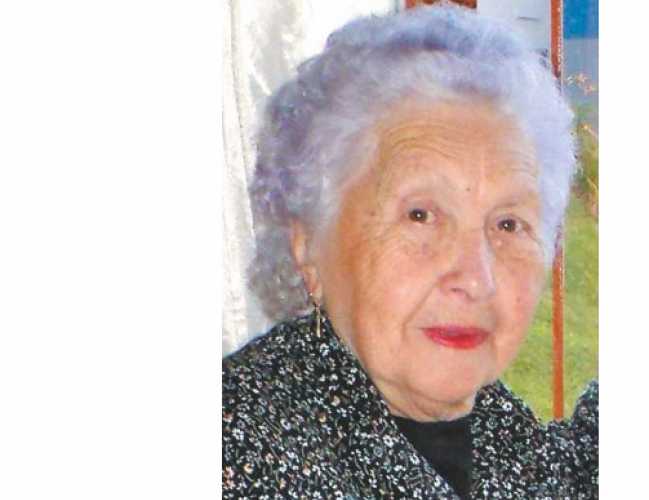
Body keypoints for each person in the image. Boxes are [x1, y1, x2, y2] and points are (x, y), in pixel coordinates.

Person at [223, 3, 598, 498]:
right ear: (308, 247)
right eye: (420, 215)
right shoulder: (239, 446)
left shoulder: (507, 441)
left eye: (508, 224)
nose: (476, 278)